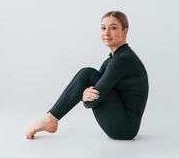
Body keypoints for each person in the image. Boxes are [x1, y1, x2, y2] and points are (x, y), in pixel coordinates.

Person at [26, 11, 149, 140]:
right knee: (88, 74)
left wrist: (84, 97)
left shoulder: (122, 60)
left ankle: (51, 119)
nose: (106, 33)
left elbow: (92, 101)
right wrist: (85, 95)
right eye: (103, 28)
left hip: (124, 128)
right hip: (124, 127)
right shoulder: (112, 60)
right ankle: (51, 119)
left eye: (113, 28)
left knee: (87, 73)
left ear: (125, 31)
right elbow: (95, 92)